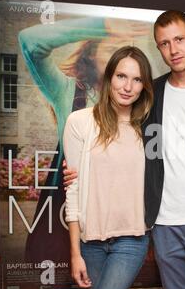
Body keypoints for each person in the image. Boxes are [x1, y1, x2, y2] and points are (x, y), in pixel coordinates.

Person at [64, 10, 185, 289]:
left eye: (179, 39)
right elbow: (120, 135)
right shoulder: (151, 95)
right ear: (158, 48)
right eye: (164, 43)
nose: (173, 49)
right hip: (164, 227)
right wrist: (79, 170)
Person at [18, 17, 149, 264]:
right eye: (111, 49)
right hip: (69, 211)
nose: (117, 62)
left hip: (120, 222)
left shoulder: (140, 109)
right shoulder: (67, 91)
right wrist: (104, 25)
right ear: (92, 55)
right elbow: (29, 42)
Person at [63, 46, 153, 289]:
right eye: (121, 76)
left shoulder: (149, 129)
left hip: (131, 240)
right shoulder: (80, 122)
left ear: (144, 86)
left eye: (137, 80)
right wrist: (75, 253)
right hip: (89, 243)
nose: (128, 87)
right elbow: (73, 190)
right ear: (109, 77)